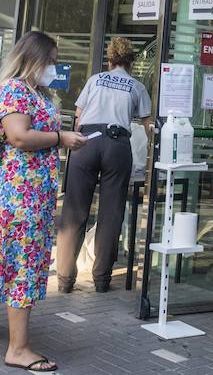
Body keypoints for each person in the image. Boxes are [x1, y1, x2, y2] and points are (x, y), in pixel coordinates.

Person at [0, 31, 87, 373]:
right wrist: (61, 138)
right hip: (16, 195)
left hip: (28, 193)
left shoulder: (36, 92)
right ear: (33, 59)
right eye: (50, 61)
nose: (55, 67)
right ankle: (18, 348)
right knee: (22, 264)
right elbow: (19, 136)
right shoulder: (14, 90)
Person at [55, 36, 152, 294]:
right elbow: (147, 123)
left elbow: (78, 116)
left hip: (87, 141)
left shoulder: (95, 79)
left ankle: (64, 279)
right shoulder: (136, 86)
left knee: (75, 209)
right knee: (111, 212)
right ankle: (101, 279)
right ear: (131, 63)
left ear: (110, 60)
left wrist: (77, 145)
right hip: (117, 145)